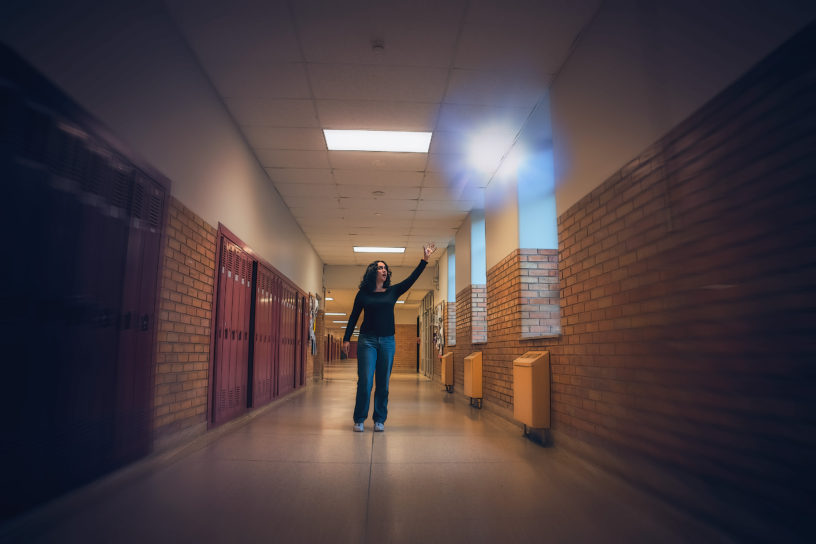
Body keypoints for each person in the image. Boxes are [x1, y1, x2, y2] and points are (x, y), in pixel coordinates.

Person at [343, 244, 436, 432]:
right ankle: (359, 418)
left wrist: (424, 259)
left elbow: (411, 279)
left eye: (385, 267)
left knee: (383, 382)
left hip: (387, 341)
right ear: (372, 272)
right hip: (367, 340)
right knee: (365, 381)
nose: (383, 270)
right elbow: (354, 316)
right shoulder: (363, 294)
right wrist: (346, 338)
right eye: (379, 267)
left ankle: (380, 419)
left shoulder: (393, 291)